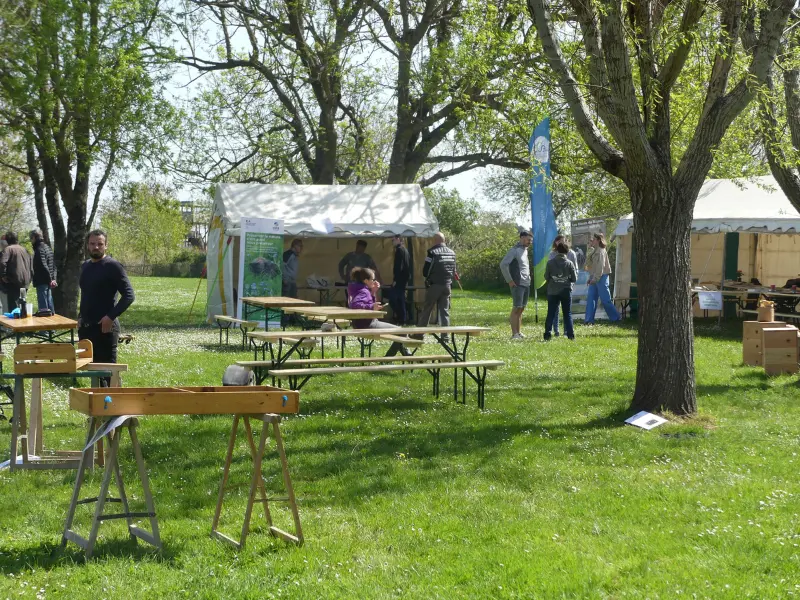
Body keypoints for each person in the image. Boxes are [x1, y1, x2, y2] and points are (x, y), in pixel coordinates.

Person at [79, 229, 135, 369]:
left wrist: (110, 317)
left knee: (108, 373)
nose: (96, 247)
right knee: (93, 373)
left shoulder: (113, 266)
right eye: (92, 243)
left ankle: (111, 392)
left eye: (100, 244)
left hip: (106, 329)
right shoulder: (85, 266)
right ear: (87, 245)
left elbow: (129, 295)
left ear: (106, 245)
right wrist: (80, 317)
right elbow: (86, 294)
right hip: (86, 328)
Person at [347, 267, 410, 356]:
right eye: (372, 279)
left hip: (359, 323)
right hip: (368, 324)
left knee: (401, 333)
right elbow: (355, 305)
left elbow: (364, 302)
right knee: (402, 332)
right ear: (366, 281)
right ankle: (389, 359)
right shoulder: (363, 291)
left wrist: (373, 292)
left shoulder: (358, 289)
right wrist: (371, 307)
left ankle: (405, 353)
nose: (374, 281)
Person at [416, 232, 457, 331]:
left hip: (435, 285)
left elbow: (426, 271)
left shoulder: (432, 252)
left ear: (435, 240)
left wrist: (428, 277)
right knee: (444, 311)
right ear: (444, 240)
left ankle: (419, 334)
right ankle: (445, 337)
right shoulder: (452, 253)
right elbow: (454, 270)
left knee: (427, 309)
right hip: (447, 285)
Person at [499, 230, 533, 339]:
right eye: (528, 240)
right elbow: (503, 265)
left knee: (521, 308)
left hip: (526, 283)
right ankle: (514, 334)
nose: (530, 242)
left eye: (531, 240)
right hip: (517, 284)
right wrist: (509, 280)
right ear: (522, 238)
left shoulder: (525, 250)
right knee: (516, 308)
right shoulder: (514, 250)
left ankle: (519, 332)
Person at [584, 232, 621, 325]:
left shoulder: (601, 251)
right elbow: (588, 265)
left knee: (605, 300)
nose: (592, 240)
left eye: (594, 239)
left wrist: (595, 279)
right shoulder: (593, 250)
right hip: (595, 277)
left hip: (601, 277)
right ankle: (589, 320)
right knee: (591, 298)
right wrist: (589, 250)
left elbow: (600, 267)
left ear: (598, 240)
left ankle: (616, 318)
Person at [544, 239, 577, 340]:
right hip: (566, 290)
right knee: (567, 313)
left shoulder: (550, 263)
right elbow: (574, 278)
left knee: (551, 313)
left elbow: (546, 277)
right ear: (567, 252)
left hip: (553, 291)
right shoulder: (569, 263)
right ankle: (570, 335)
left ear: (557, 251)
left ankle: (547, 334)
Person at [0, 231, 32, 310]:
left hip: (13, 281)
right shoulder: (25, 250)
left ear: (7, 240)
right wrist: (30, 277)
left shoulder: (8, 249)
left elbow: (2, 262)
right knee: (22, 304)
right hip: (25, 282)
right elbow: (31, 265)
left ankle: (15, 321)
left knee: (13, 307)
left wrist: (3, 275)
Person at [30, 228, 57, 312]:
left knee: (44, 307)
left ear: (34, 237)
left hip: (42, 280)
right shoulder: (47, 247)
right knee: (49, 302)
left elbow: (43, 266)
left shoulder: (39, 249)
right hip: (49, 280)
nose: (31, 241)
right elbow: (53, 266)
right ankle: (52, 322)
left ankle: (46, 323)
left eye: (31, 238)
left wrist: (50, 279)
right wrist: (53, 279)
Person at [389, 235, 411, 324]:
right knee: (400, 298)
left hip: (400, 279)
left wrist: (395, 280)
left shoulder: (399, 250)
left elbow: (398, 266)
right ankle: (403, 317)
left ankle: (401, 317)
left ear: (398, 239)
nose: (392, 241)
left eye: (393, 239)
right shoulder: (405, 250)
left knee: (393, 299)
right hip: (404, 278)